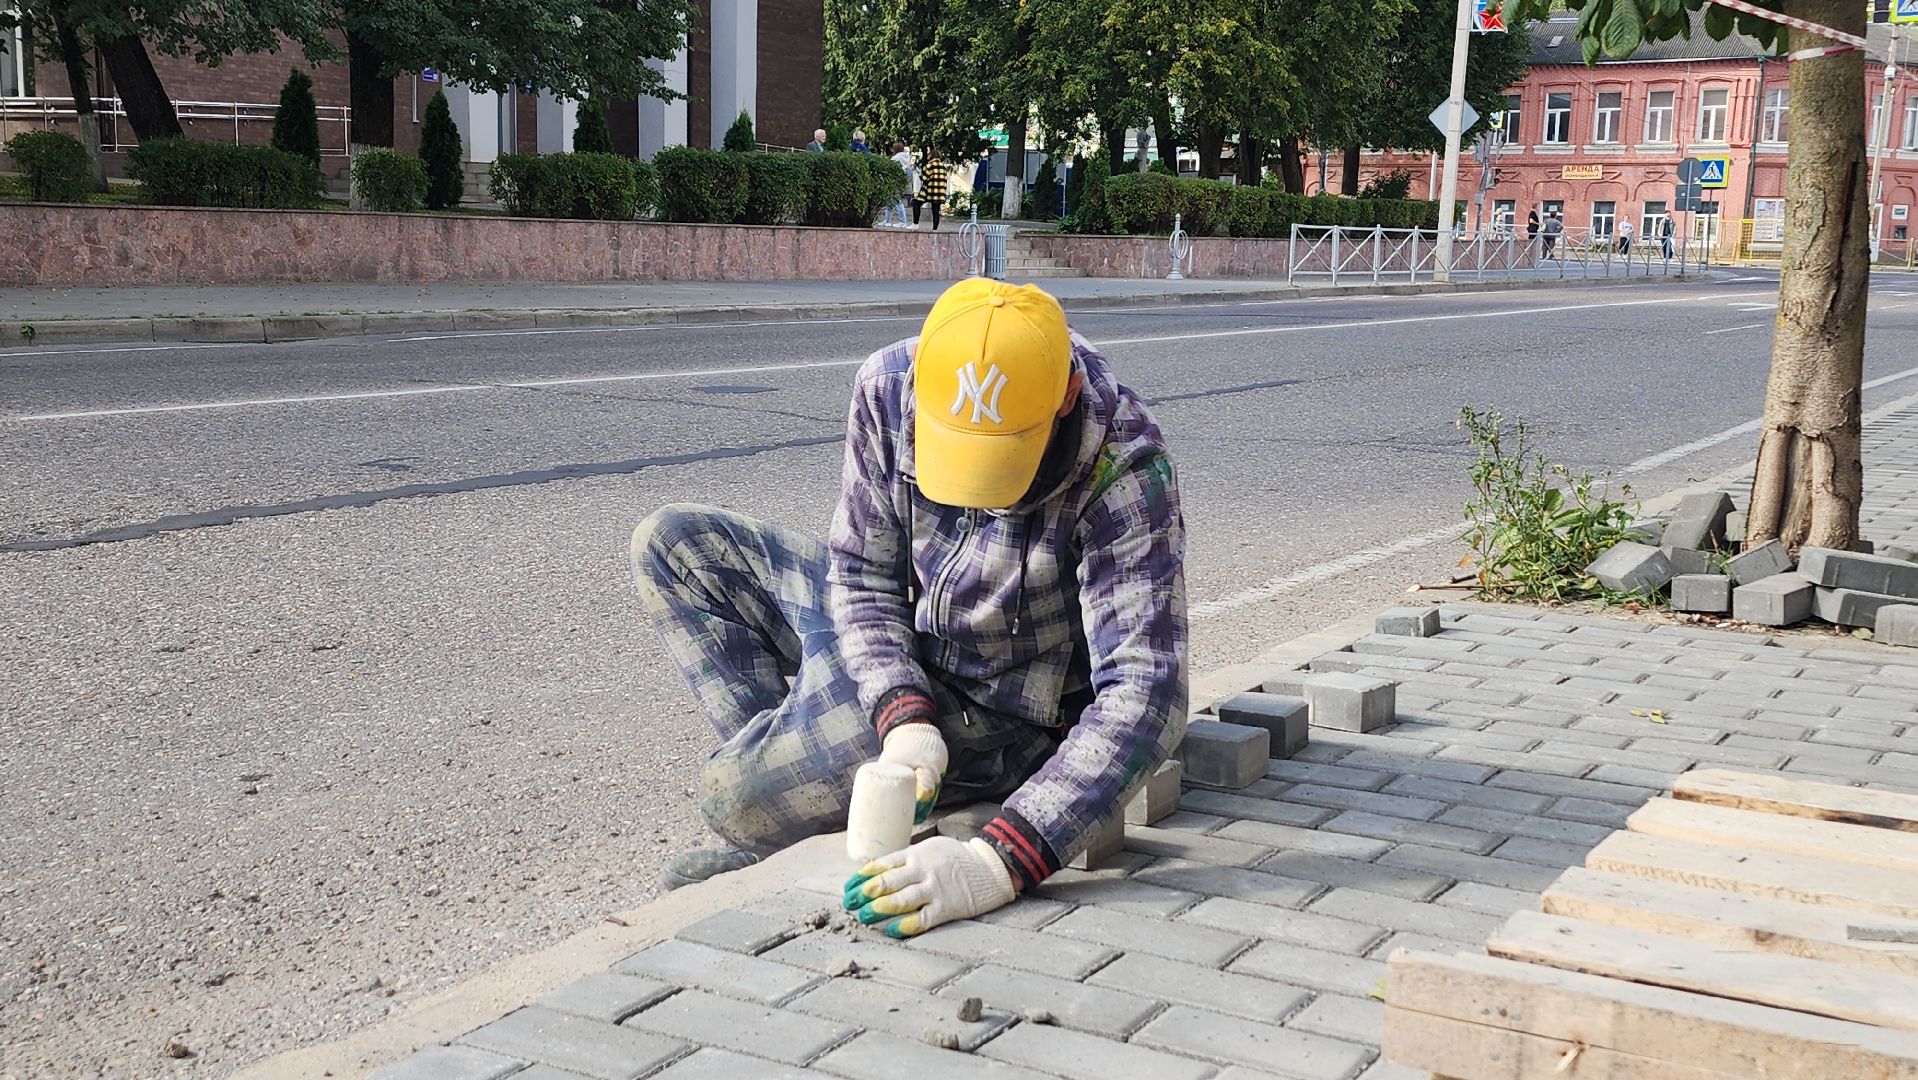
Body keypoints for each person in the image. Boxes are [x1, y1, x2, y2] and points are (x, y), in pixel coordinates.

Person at [631, 278, 1186, 937]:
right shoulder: (889, 385)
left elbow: (1147, 695)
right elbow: (863, 572)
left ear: (1064, 399)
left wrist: (997, 863)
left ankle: (801, 800)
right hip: (907, 640)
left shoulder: (1123, 466)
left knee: (735, 795)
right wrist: (900, 712)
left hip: (1004, 708)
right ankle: (823, 797)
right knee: (675, 544)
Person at [914, 148, 947, 231]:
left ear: (931, 156)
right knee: (935, 210)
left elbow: (924, 178)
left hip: (929, 190)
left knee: (916, 203)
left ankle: (915, 224)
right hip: (940, 192)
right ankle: (935, 229)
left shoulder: (929, 165)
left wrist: (921, 176)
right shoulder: (943, 166)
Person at [886, 140, 916, 229]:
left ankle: (902, 221)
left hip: (895, 182)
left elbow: (889, 169)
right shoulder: (906, 157)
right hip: (903, 182)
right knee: (891, 200)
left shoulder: (895, 158)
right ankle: (887, 220)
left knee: (896, 200)